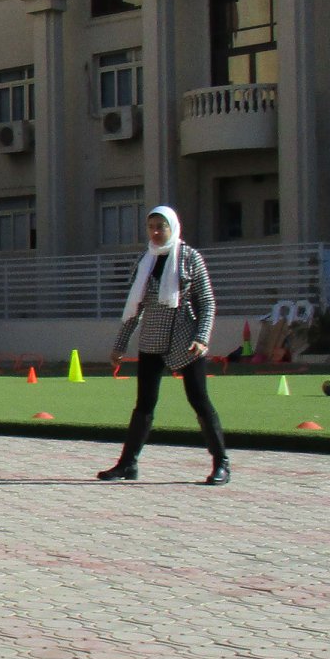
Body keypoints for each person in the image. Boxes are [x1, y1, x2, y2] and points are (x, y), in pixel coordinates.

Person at [102, 206, 229, 485]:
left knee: (199, 400)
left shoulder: (190, 258)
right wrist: (119, 346)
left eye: (161, 226)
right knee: (144, 404)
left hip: (186, 342)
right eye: (151, 227)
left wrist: (202, 338)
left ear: (173, 227)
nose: (156, 232)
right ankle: (127, 464)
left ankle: (222, 463)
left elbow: (207, 303)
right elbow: (134, 308)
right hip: (151, 341)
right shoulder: (145, 260)